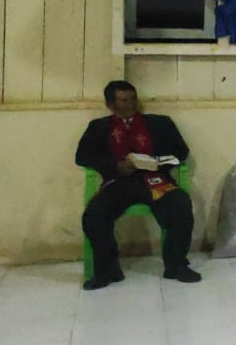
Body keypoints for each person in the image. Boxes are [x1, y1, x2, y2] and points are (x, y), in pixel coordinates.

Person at [76, 80, 201, 289]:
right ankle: (107, 270)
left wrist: (157, 162)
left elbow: (181, 152)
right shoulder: (99, 127)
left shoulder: (160, 123)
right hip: (117, 183)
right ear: (110, 105)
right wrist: (116, 166)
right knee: (94, 214)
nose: (131, 104)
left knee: (180, 204)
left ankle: (177, 265)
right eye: (124, 100)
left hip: (155, 181)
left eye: (133, 99)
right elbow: (82, 157)